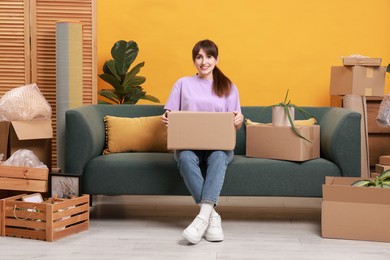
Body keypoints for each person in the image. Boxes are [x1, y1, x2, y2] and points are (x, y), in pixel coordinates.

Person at [162, 39, 244, 244]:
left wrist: (239, 119)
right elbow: (170, 113)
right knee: (186, 157)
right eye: (199, 57)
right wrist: (166, 117)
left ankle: (201, 218)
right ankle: (211, 216)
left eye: (208, 56)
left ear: (216, 59)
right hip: (189, 144)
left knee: (218, 157)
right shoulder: (182, 84)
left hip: (219, 146)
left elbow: (235, 120)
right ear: (194, 60)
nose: (203, 61)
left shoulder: (228, 86)